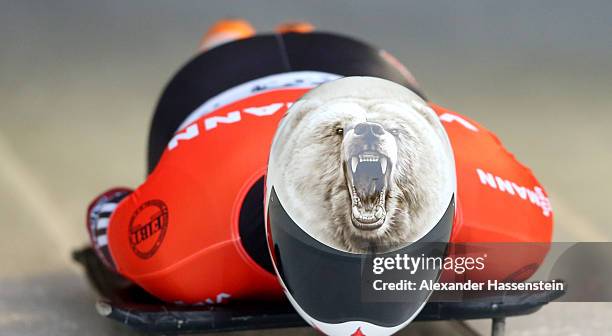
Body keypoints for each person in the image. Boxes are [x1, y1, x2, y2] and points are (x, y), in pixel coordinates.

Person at [86, 20, 553, 307]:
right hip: (342, 65)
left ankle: (231, 39)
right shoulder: (514, 231)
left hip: (226, 82)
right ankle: (276, 36)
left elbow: (109, 212)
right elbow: (113, 216)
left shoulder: (185, 250)